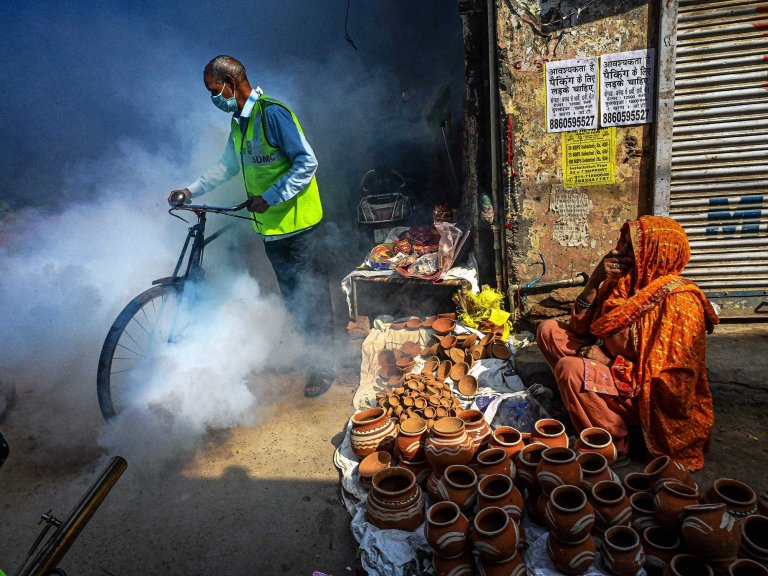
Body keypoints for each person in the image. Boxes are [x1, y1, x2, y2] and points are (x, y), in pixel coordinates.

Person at [168, 55, 334, 397]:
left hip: (300, 225)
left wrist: (271, 196)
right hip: (271, 230)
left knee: (313, 298)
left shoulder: (273, 114)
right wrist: (191, 189)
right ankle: (313, 353)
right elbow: (227, 166)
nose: (213, 98)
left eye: (214, 90)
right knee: (294, 297)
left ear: (230, 83)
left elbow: (307, 162)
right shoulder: (239, 123)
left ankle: (326, 364)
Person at [536, 215, 719, 470]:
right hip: (605, 357)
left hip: (641, 389)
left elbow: (672, 385)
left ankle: (615, 441)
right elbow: (581, 326)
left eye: (631, 247)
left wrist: (611, 363)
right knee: (549, 330)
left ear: (656, 254)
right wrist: (595, 279)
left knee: (570, 369)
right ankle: (589, 405)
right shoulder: (626, 283)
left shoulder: (679, 304)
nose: (620, 251)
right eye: (623, 244)